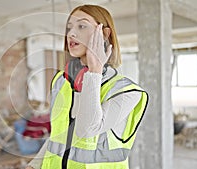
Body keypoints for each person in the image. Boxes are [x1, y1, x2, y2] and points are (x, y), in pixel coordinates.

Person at [26, 4, 148, 169]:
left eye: (81, 26)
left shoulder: (126, 92)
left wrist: (94, 71)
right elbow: (57, 136)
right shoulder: (60, 82)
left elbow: (87, 130)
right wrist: (34, 164)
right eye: (69, 28)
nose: (71, 34)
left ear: (104, 34)